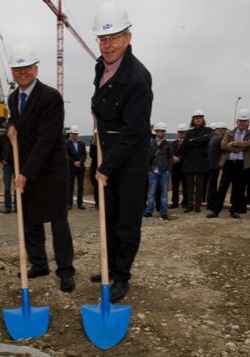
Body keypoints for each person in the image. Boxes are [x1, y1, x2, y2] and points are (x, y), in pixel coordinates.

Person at [89, 0, 153, 303]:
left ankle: (122, 277)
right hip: (107, 152)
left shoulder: (138, 78)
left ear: (128, 38)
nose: (107, 45)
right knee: (109, 216)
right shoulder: (101, 67)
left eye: (114, 38)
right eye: (103, 39)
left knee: (126, 220)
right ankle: (109, 266)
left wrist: (107, 166)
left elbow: (134, 131)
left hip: (128, 160)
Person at [6, 42, 75, 293]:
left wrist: (25, 173)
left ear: (35, 68)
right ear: (13, 71)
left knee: (58, 220)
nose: (22, 72)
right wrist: (10, 126)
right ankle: (39, 263)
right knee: (30, 220)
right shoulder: (13, 97)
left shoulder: (50, 97)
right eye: (17, 68)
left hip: (51, 168)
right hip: (26, 166)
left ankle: (66, 270)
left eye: (26, 67)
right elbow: (18, 122)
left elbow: (46, 139)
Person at [206, 108, 250, 219]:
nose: (242, 123)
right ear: (237, 121)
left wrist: (233, 144)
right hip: (228, 164)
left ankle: (234, 211)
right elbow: (223, 145)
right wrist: (239, 148)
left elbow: (248, 144)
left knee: (237, 189)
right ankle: (216, 210)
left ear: (248, 122)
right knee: (222, 188)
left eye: (244, 121)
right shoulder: (229, 133)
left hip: (241, 164)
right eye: (240, 120)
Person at [181, 110, 211, 213]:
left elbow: (206, 139)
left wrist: (193, 140)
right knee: (189, 184)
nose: (198, 119)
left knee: (200, 185)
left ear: (203, 119)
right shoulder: (189, 132)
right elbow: (186, 145)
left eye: (200, 118)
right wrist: (199, 141)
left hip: (201, 161)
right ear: (193, 120)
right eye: (196, 118)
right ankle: (189, 205)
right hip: (190, 161)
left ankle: (197, 205)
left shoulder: (208, 130)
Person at [143, 122, 171, 220]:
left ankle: (163, 212)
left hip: (164, 172)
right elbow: (147, 158)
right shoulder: (151, 144)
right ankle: (149, 211)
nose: (162, 133)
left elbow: (170, 158)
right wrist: (149, 170)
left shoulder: (167, 144)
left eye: (163, 131)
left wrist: (168, 169)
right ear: (156, 132)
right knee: (151, 193)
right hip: (153, 171)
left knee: (163, 193)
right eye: (160, 131)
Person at [206, 121, 227, 212]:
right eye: (224, 130)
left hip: (211, 165)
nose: (225, 132)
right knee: (213, 186)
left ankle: (210, 203)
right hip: (215, 166)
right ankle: (212, 204)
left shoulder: (214, 138)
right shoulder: (219, 139)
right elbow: (225, 148)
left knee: (212, 185)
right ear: (221, 130)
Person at [0, 127, 15, 214]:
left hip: (17, 165)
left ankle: (18, 207)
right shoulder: (2, 137)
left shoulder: (17, 136)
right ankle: (7, 207)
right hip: (7, 166)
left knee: (17, 186)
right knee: (7, 187)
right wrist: (2, 159)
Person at [66, 125, 87, 210]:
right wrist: (73, 162)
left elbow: (84, 155)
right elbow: (66, 155)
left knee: (81, 186)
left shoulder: (82, 143)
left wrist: (80, 162)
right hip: (71, 168)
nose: (75, 135)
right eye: (73, 134)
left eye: (76, 134)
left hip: (80, 168)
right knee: (70, 186)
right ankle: (69, 204)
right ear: (70, 134)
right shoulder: (67, 143)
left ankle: (80, 204)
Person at [169, 123, 188, 208]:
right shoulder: (173, 143)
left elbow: (188, 154)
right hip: (175, 168)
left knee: (185, 186)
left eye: (183, 132)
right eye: (180, 132)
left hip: (184, 167)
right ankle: (175, 202)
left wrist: (179, 158)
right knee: (175, 186)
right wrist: (173, 157)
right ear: (177, 132)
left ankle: (185, 202)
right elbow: (170, 153)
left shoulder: (188, 143)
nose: (181, 133)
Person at [89, 132, 99, 208]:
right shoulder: (93, 146)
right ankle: (97, 203)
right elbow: (92, 155)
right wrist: (99, 154)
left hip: (101, 168)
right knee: (96, 186)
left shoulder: (102, 145)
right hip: (94, 168)